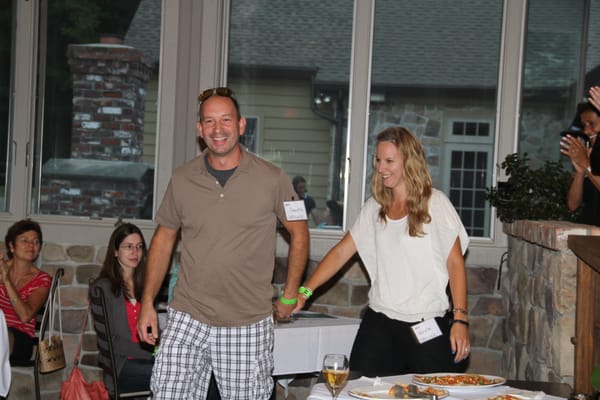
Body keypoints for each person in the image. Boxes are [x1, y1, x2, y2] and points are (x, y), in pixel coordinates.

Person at [137, 87, 309, 399]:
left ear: (241, 125)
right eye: (210, 122)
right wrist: (147, 302)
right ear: (199, 130)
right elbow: (163, 239)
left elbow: (299, 233)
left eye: (226, 120)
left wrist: (290, 294)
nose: (219, 129)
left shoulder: (272, 178)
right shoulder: (182, 178)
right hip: (188, 314)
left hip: (246, 321)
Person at [294, 127, 470, 376]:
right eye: (378, 160)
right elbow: (341, 253)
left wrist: (460, 320)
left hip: (426, 323)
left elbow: (455, 264)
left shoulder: (436, 203)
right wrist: (304, 292)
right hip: (380, 322)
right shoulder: (374, 206)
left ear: (409, 161)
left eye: (389, 161)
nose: (381, 167)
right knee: (357, 390)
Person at [90, 222, 154, 395]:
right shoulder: (103, 288)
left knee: (197, 373)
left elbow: (154, 330)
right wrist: (154, 353)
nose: (135, 252)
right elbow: (114, 344)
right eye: (129, 247)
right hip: (121, 366)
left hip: (148, 359)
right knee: (174, 375)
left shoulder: (148, 286)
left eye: (139, 247)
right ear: (115, 251)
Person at [0, 219, 51, 363]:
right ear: (11, 246)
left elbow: (25, 316)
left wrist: (7, 281)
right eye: (25, 240)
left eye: (36, 241)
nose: (31, 245)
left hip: (20, 340)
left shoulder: (42, 279)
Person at [560, 100, 600, 226]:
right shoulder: (591, 154)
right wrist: (580, 171)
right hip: (587, 233)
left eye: (591, 124)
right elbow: (573, 205)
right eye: (584, 125)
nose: (587, 131)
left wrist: (586, 163)